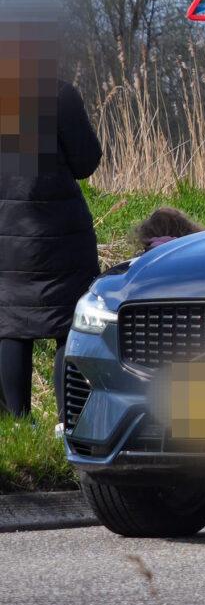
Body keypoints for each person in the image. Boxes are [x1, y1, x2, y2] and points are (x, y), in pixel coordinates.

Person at [0, 22, 101, 419]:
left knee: (9, 325)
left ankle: (15, 422)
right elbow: (86, 161)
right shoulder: (59, 94)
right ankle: (67, 419)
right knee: (65, 323)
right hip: (58, 232)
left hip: (6, 235)